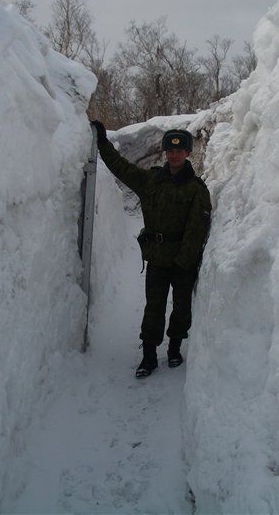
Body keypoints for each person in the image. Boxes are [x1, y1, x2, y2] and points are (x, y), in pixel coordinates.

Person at [91, 120, 212, 379]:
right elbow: (121, 168)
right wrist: (102, 143)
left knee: (181, 308)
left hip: (183, 261)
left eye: (180, 151)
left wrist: (184, 260)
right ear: (165, 153)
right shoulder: (151, 181)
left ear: (188, 153)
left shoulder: (196, 189)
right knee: (154, 308)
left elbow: (197, 228)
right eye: (170, 150)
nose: (174, 154)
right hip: (157, 258)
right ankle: (148, 355)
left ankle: (175, 349)